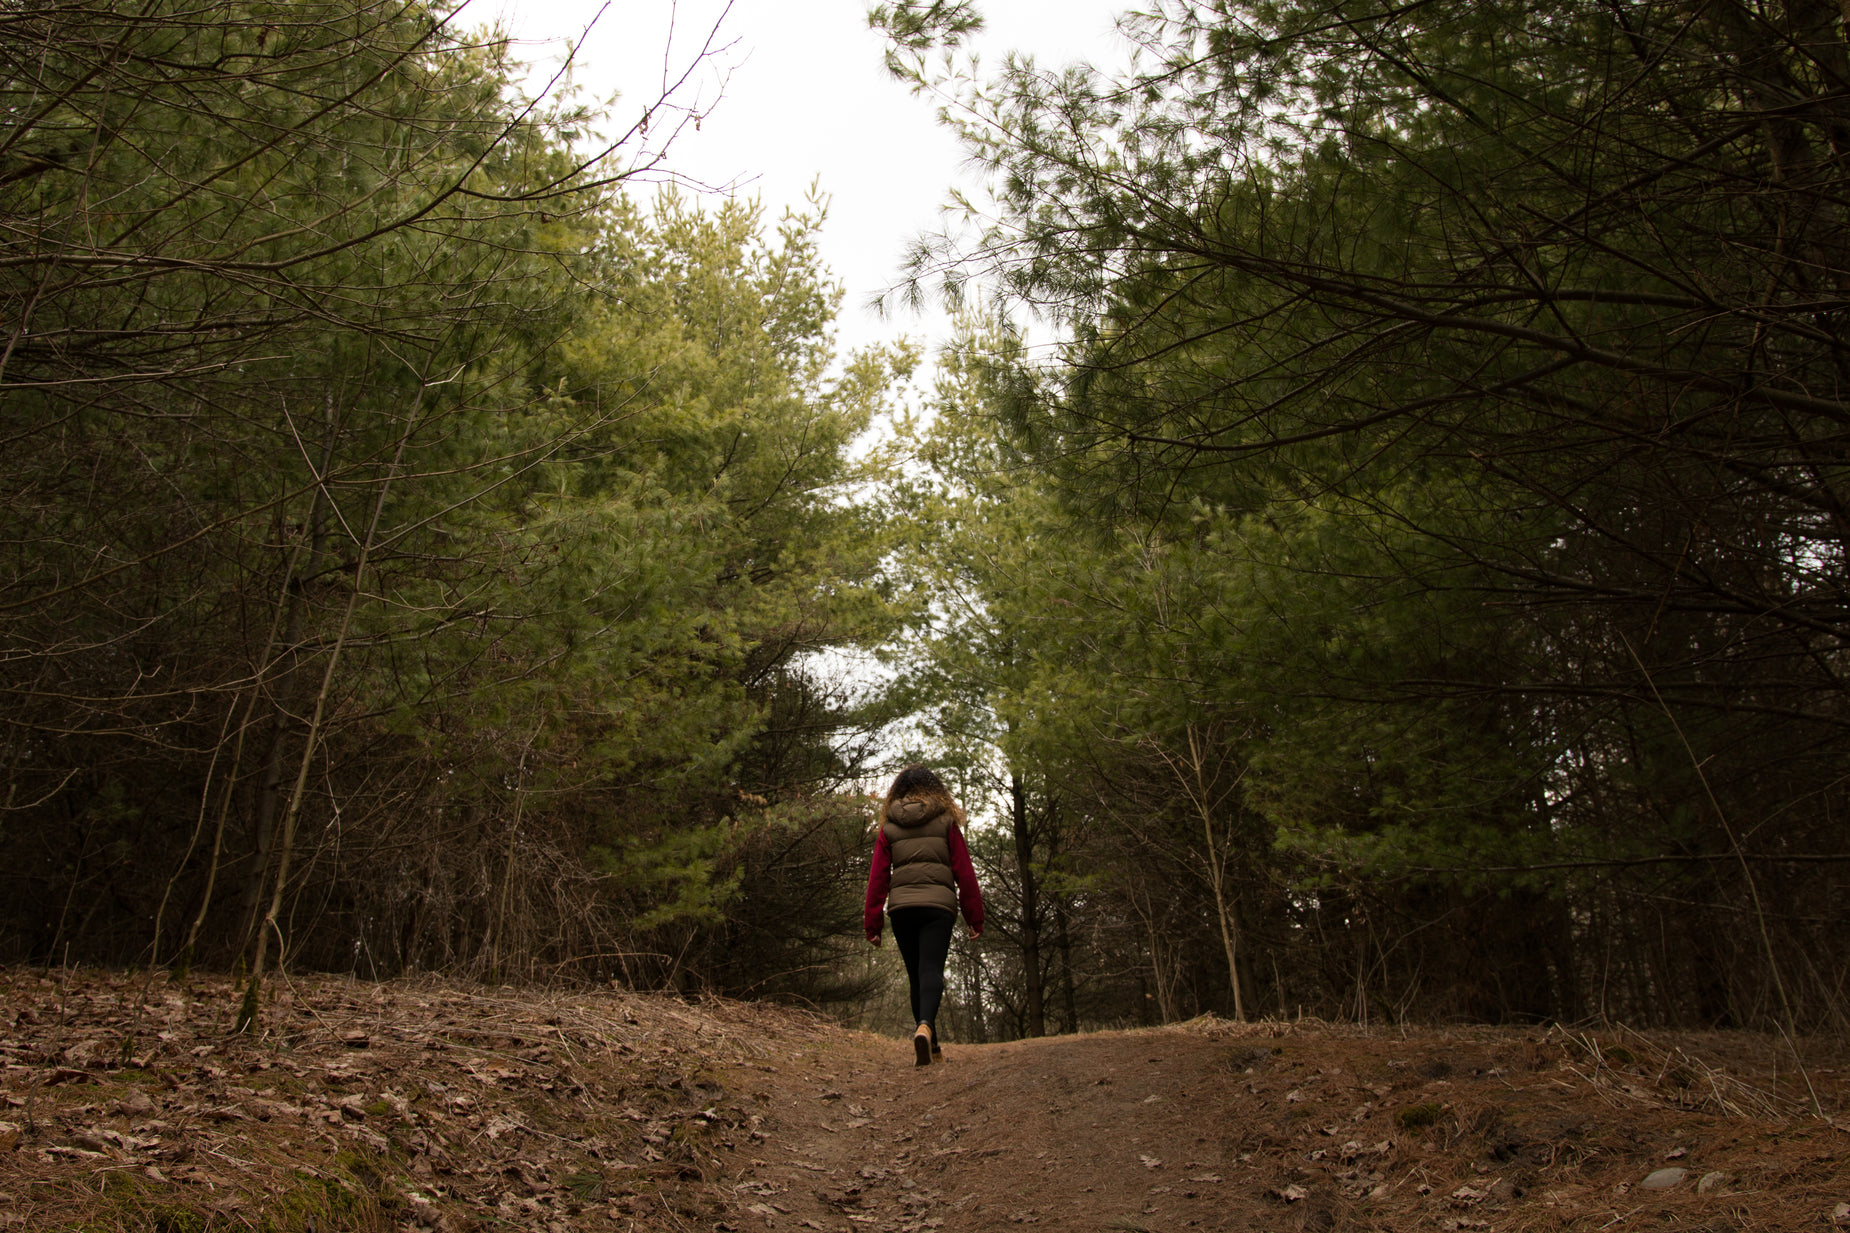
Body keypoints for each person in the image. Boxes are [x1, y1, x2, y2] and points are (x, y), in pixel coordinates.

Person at [863, 765, 984, 1066]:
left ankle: (933, 1047)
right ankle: (926, 1028)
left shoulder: (889, 825)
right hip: (938, 908)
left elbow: (877, 878)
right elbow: (964, 871)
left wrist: (873, 924)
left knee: (916, 976)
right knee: (930, 971)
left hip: (902, 909)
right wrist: (974, 916)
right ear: (934, 788)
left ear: (898, 791)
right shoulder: (945, 821)